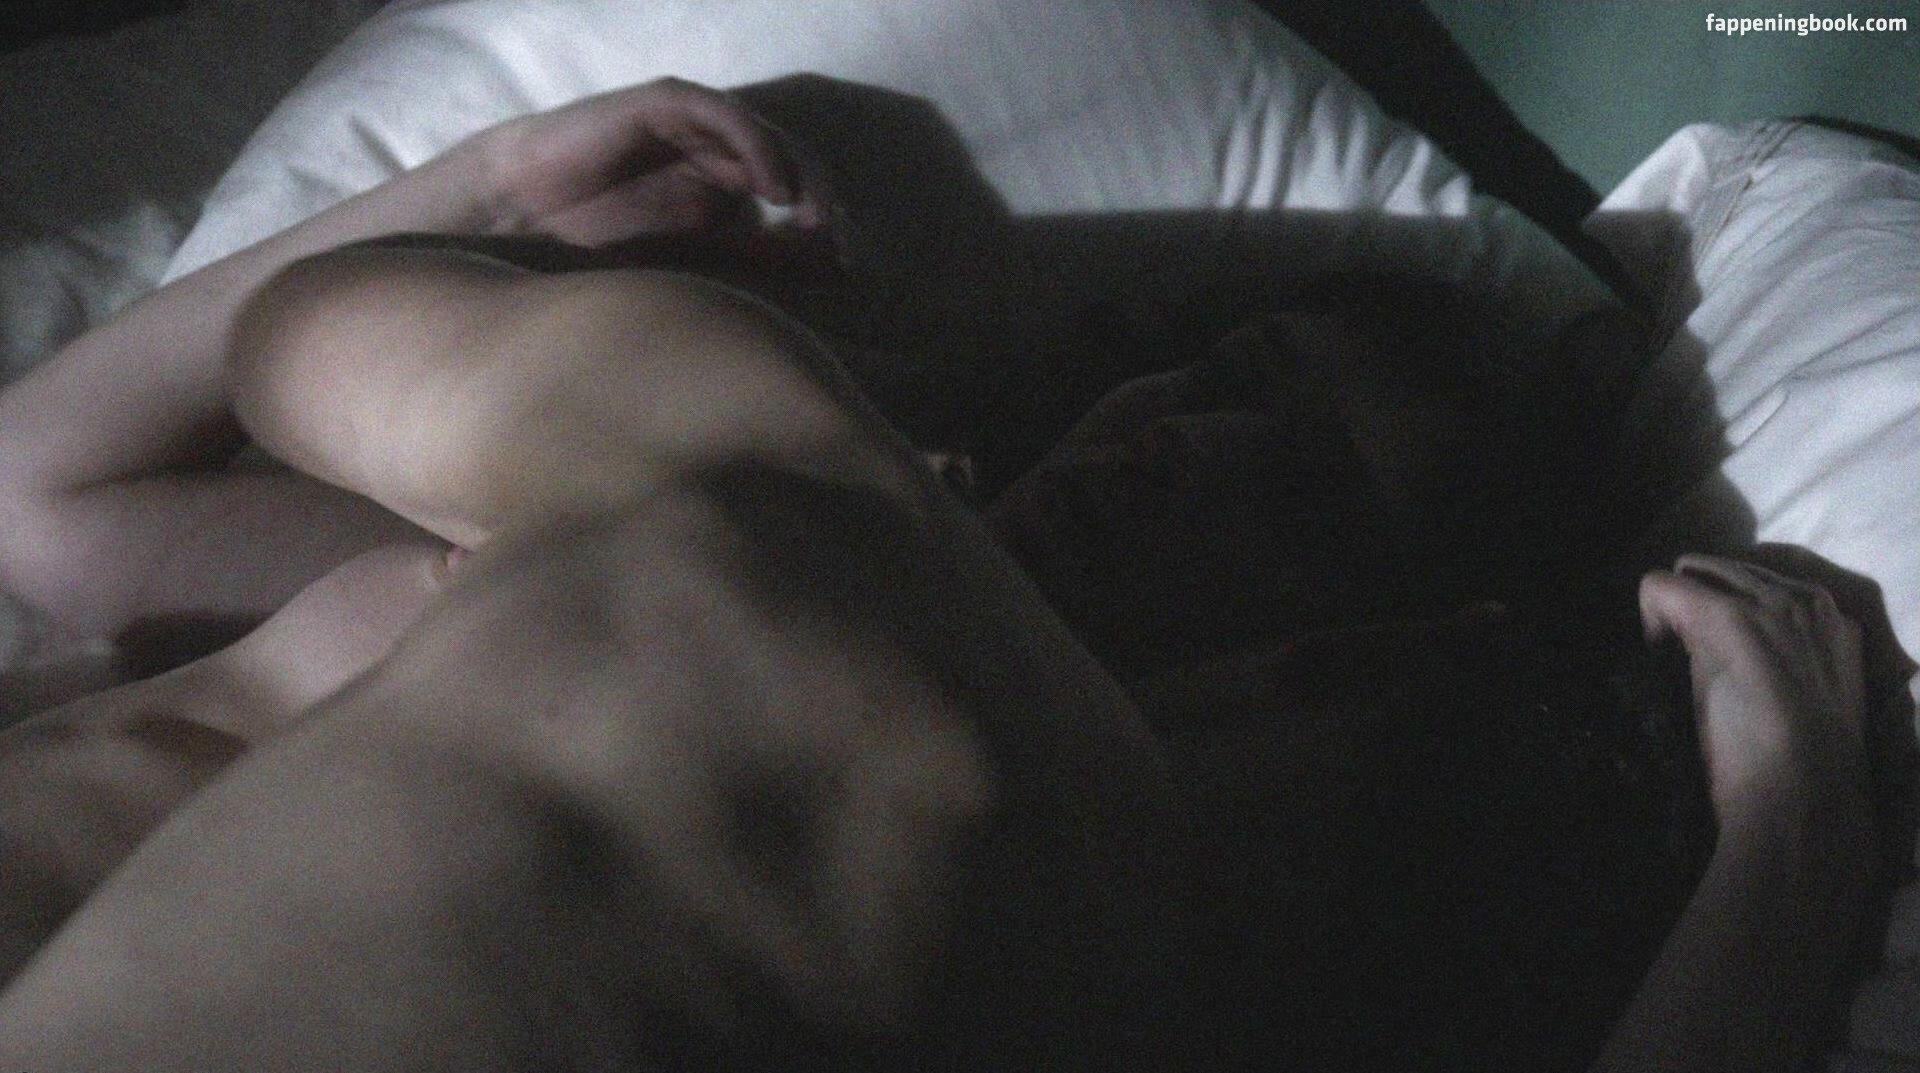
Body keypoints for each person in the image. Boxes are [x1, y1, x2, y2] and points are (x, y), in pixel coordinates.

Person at [0, 79, 1881, 1071]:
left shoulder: (1138, 943)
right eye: (1218, 374)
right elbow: (46, 497)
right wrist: (490, 197)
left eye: (1298, 481)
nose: (1181, 441)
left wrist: (1784, 831)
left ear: (1376, 646)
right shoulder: (708, 482)